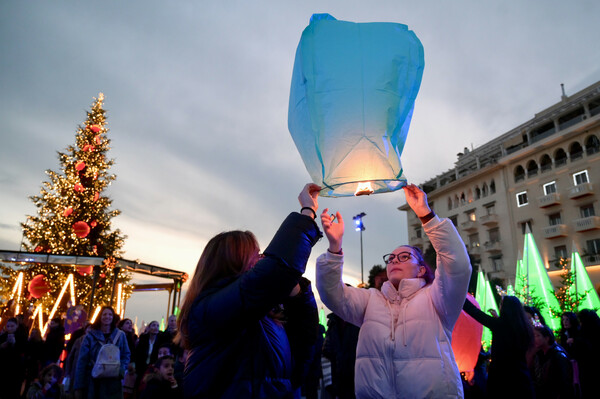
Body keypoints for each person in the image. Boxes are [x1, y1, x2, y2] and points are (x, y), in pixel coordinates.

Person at [316, 184, 472, 398]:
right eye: (391, 258)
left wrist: (427, 216)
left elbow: (457, 265)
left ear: (421, 270)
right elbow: (331, 293)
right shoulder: (371, 300)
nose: (395, 260)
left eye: (405, 256)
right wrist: (335, 248)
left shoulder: (437, 298)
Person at [176, 183, 322, 398]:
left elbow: (300, 355)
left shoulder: (261, 317)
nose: (261, 259)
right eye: (254, 254)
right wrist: (307, 213)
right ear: (231, 262)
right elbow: (271, 273)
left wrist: (297, 296)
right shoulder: (209, 310)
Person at [463, 296, 535, 398]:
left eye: (501, 304)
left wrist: (461, 296)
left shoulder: (498, 325)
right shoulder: (524, 328)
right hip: (520, 377)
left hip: (501, 377)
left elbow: (475, 312)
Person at [73, 306, 130, 399]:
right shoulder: (90, 336)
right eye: (104, 314)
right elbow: (82, 361)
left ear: (113, 317)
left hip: (113, 380)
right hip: (93, 380)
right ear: (100, 317)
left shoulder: (120, 335)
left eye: (110, 314)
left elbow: (126, 354)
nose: (107, 317)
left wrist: (121, 369)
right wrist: (79, 385)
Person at [531, 324, 575, 399]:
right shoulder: (540, 354)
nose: (534, 339)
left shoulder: (558, 355)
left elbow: (565, 383)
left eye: (537, 336)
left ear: (547, 338)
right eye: (534, 336)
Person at [0, 317, 27, 399]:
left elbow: (24, 351)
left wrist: (15, 344)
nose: (10, 328)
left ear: (16, 326)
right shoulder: (3, 336)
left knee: (13, 391)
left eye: (12, 326)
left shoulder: (22, 337)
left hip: (16, 370)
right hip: (4, 369)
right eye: (8, 326)